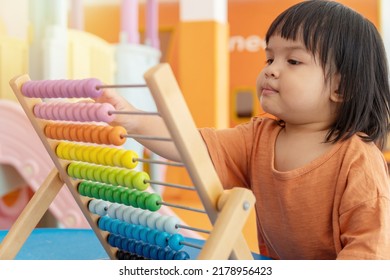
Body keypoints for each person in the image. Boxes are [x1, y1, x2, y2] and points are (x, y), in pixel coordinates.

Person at [95, 0, 390, 259]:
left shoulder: (358, 162)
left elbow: (371, 250)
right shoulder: (258, 137)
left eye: (294, 60)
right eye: (270, 57)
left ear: (341, 87)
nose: (271, 69)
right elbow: (190, 144)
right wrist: (131, 117)